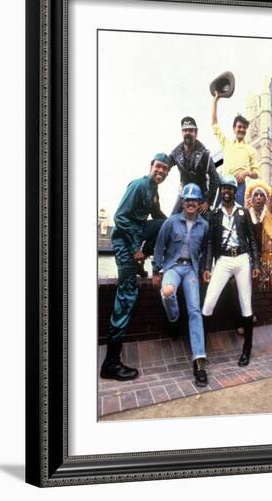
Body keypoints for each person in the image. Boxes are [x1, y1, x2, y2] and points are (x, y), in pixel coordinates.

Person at [100, 153, 170, 381]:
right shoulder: (139, 185)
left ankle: (139, 263)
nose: (160, 171)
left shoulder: (154, 191)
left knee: (164, 225)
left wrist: (178, 220)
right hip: (123, 242)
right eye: (158, 167)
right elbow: (119, 217)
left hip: (135, 238)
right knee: (127, 293)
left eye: (165, 170)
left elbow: (159, 218)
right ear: (151, 166)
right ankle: (111, 363)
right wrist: (134, 249)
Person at [152, 183, 209, 387]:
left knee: (195, 310)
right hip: (173, 267)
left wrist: (204, 269)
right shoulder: (171, 222)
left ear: (198, 202)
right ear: (183, 202)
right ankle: (174, 316)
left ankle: (199, 361)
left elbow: (205, 250)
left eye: (194, 200)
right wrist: (156, 270)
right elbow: (159, 246)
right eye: (187, 200)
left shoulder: (204, 225)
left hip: (191, 270)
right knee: (167, 292)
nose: (190, 203)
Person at [202, 175, 260, 366]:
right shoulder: (215, 215)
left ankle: (247, 350)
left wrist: (256, 265)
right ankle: (201, 348)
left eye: (230, 189)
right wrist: (207, 267)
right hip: (223, 260)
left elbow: (252, 240)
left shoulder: (243, 212)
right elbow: (210, 242)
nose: (227, 192)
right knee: (209, 302)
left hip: (242, 259)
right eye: (224, 189)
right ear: (221, 191)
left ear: (236, 191)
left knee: (246, 304)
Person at [245, 136, 272, 370]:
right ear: (251, 200)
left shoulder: (271, 210)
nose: (260, 197)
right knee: (241, 289)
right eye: (256, 195)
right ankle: (243, 323)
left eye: (263, 194)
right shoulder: (248, 218)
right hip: (260, 263)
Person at [212, 92, 259, 206]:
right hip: (224, 184)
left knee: (237, 214)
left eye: (244, 127)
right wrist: (215, 101)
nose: (242, 129)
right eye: (239, 127)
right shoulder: (226, 144)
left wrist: (246, 173)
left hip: (240, 186)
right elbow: (214, 124)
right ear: (234, 128)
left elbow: (256, 173)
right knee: (218, 212)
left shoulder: (251, 150)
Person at [169, 116, 219, 215]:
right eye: (185, 130)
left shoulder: (205, 154)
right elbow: (164, 166)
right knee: (172, 219)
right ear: (182, 133)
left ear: (196, 133)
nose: (187, 133)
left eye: (190, 130)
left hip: (201, 194)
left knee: (206, 222)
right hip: (184, 192)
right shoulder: (175, 153)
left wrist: (208, 202)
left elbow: (215, 179)